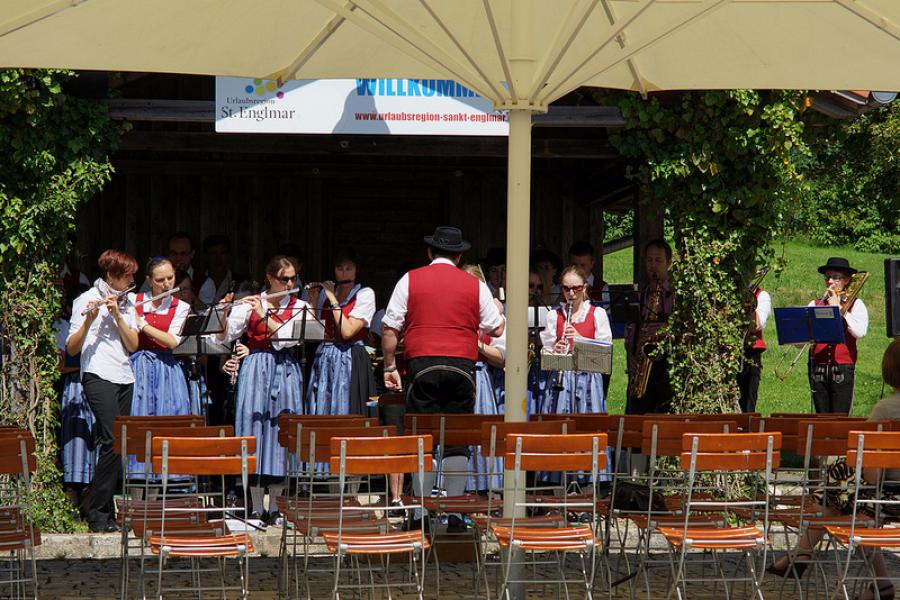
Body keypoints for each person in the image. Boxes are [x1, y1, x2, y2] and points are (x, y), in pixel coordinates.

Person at [382, 226, 505, 532]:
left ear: (429, 252)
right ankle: (455, 513)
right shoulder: (474, 285)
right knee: (456, 441)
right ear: (459, 256)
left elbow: (390, 328)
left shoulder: (410, 279)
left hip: (422, 365)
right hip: (462, 367)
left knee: (422, 440)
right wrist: (495, 310)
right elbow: (498, 328)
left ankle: (421, 513)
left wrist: (389, 366)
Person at [767, 339, 900, 600]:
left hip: (886, 497)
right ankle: (804, 553)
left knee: (845, 499)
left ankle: (803, 552)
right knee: (844, 495)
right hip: (888, 498)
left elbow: (873, 475)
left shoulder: (885, 410)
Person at [218, 256, 307, 526]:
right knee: (254, 429)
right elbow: (224, 337)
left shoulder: (300, 305)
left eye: (293, 279)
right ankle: (256, 507)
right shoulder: (251, 304)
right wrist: (224, 312)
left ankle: (277, 507)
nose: (290, 284)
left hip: (286, 370)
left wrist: (263, 314)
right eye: (284, 279)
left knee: (281, 432)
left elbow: (288, 339)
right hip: (256, 368)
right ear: (270, 278)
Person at [66, 249, 140, 532]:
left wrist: (117, 315)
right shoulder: (85, 299)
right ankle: (98, 512)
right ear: (112, 275)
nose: (131, 281)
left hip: (124, 375)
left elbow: (132, 344)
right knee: (111, 438)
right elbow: (72, 348)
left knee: (119, 444)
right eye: (127, 276)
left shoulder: (128, 303)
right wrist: (89, 320)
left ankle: (99, 508)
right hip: (97, 373)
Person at [126, 257, 194, 475]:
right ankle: (137, 478)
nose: (167, 284)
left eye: (170, 278)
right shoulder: (133, 300)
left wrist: (142, 324)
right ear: (149, 280)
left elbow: (172, 341)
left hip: (167, 369)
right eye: (160, 280)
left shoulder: (181, 307)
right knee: (139, 420)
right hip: (138, 367)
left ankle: (169, 480)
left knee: (168, 419)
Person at [306, 248, 377, 418]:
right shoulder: (324, 295)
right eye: (339, 268)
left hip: (351, 358)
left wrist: (333, 299)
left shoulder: (365, 294)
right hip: (325, 358)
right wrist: (314, 300)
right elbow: (313, 334)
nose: (344, 274)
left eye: (349, 269)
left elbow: (347, 331)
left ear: (356, 270)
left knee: (349, 406)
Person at [540, 266, 612, 415]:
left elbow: (605, 356)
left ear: (584, 288)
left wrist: (579, 339)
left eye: (576, 288)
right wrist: (554, 351)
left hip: (588, 380)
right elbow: (545, 353)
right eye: (566, 289)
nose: (571, 293)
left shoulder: (597, 314)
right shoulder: (554, 316)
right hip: (560, 380)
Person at [462, 265, 505, 493]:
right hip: (457, 376)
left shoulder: (492, 315)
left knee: (482, 433)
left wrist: (477, 344)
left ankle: (483, 487)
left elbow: (502, 357)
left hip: (479, 375)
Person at [807, 257, 869, 414]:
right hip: (818, 367)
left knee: (841, 418)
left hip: (843, 367)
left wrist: (839, 309)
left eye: (836, 277)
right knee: (821, 418)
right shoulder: (815, 304)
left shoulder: (856, 304)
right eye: (827, 277)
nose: (830, 281)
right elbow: (801, 342)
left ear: (846, 280)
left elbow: (860, 332)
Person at [55, 284, 95, 508]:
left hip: (97, 383)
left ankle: (93, 493)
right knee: (76, 435)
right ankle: (73, 492)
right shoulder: (63, 327)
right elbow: (59, 365)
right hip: (76, 385)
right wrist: (83, 367)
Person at [625, 239, 675, 415]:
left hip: (666, 368)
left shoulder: (675, 295)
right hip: (641, 367)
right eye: (649, 260)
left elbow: (684, 328)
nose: (653, 265)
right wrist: (630, 355)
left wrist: (663, 330)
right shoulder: (641, 296)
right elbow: (630, 331)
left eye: (658, 260)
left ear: (669, 262)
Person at [737, 281, 772, 413]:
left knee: (748, 401)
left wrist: (749, 303)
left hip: (751, 351)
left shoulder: (762, 295)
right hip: (729, 349)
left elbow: (757, 325)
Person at [197, 234, 239, 306]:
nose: (218, 258)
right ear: (206, 256)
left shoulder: (239, 282)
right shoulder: (197, 281)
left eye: (222, 253)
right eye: (213, 254)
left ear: (228, 255)